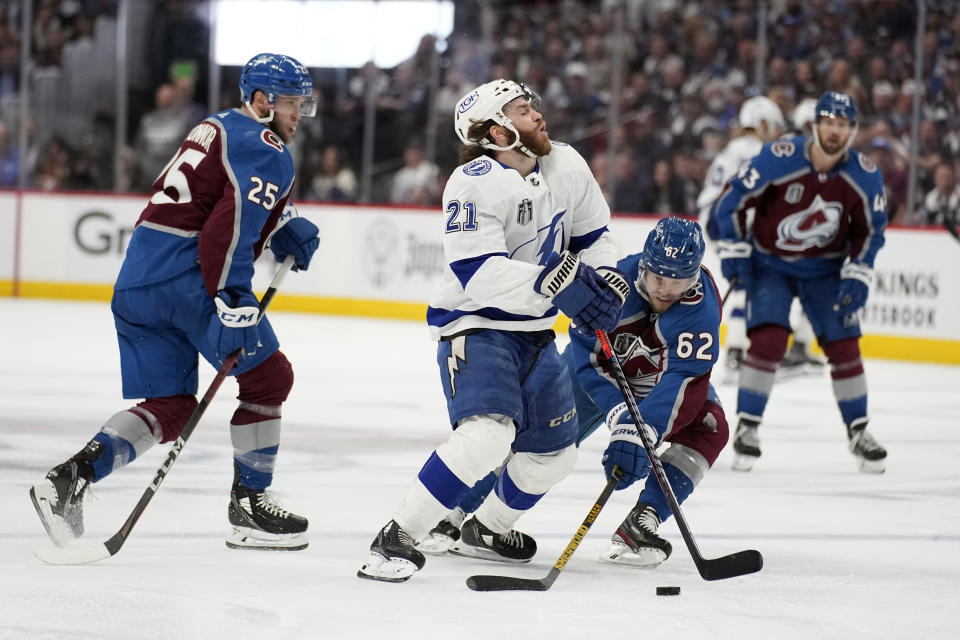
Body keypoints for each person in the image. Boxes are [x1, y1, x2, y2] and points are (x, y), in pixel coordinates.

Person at [29, 53, 321, 551]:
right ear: (260, 101)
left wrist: (282, 218)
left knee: (170, 406)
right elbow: (224, 230)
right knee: (269, 377)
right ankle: (250, 505)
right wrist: (231, 295)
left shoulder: (216, 125)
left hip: (138, 280)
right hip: (191, 281)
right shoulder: (269, 146)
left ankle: (68, 479)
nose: (300, 114)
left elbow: (213, 194)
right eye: (292, 103)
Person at [357, 79, 628, 583]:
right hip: (476, 327)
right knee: (487, 437)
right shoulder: (471, 182)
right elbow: (478, 273)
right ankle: (397, 535)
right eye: (522, 110)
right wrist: (560, 285)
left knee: (554, 454)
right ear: (497, 132)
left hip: (536, 333)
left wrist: (605, 279)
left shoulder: (567, 164)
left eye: (532, 106)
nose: (537, 115)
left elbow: (595, 237)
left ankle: (486, 529)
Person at [424, 217, 729, 569]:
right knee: (531, 439)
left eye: (677, 283)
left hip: (655, 388)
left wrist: (644, 427)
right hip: (593, 378)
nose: (664, 290)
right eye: (658, 278)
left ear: (693, 279)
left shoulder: (701, 307)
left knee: (710, 427)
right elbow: (586, 353)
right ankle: (454, 512)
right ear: (644, 265)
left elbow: (686, 377)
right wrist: (620, 415)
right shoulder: (616, 282)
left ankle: (641, 522)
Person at [713, 91, 889, 473]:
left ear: (852, 130)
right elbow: (732, 200)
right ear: (815, 125)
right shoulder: (781, 156)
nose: (835, 131)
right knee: (770, 340)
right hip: (771, 265)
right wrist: (734, 251)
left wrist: (858, 273)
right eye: (829, 122)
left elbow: (871, 231)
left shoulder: (864, 173)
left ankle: (859, 430)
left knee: (844, 344)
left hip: (825, 271)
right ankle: (748, 427)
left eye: (843, 125)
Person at [696, 95, 785, 383]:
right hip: (731, 218)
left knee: (747, 280)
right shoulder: (757, 149)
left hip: (714, 218)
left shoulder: (730, 149)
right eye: (771, 126)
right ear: (760, 123)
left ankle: (735, 348)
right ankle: (739, 350)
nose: (775, 132)